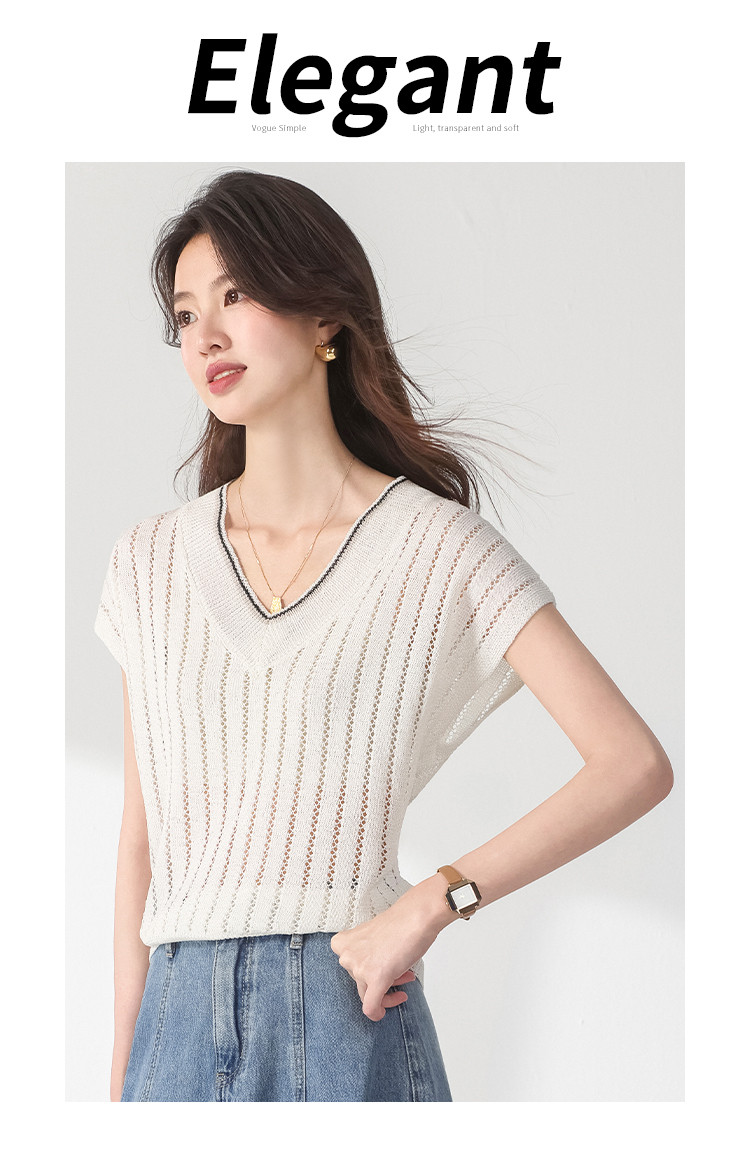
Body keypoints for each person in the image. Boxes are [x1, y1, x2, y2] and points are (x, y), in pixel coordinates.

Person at [94, 168, 674, 1103]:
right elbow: (141, 845)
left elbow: (631, 764)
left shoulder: (436, 547)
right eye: (186, 314)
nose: (206, 336)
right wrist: (123, 1074)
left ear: (324, 314)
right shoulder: (149, 563)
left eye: (236, 296)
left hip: (341, 1013)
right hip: (173, 1027)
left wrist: (434, 901)